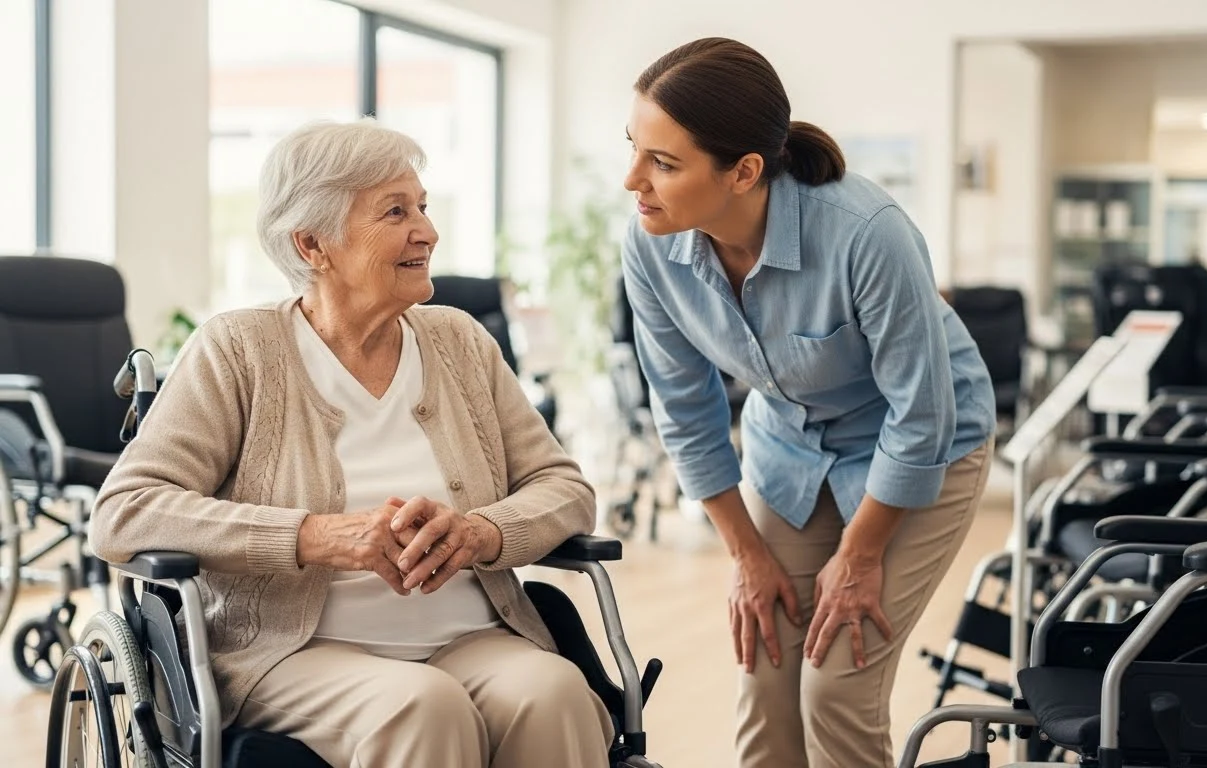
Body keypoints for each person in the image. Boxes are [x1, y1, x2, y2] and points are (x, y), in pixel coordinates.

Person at [90, 119, 613, 768]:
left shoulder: (460, 342)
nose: (426, 230)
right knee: (423, 705)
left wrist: (480, 532)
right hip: (293, 654)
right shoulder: (240, 350)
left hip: (470, 634)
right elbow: (125, 511)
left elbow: (563, 488)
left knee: (555, 691)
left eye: (421, 206)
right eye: (395, 212)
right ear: (312, 244)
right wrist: (317, 537)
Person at [620, 38, 997, 768]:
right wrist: (744, 554)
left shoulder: (864, 234)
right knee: (764, 674)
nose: (633, 180)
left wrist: (858, 557)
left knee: (837, 685)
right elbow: (684, 408)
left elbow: (920, 414)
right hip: (789, 452)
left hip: (923, 450)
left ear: (744, 172)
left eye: (663, 164)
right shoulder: (649, 246)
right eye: (633, 149)